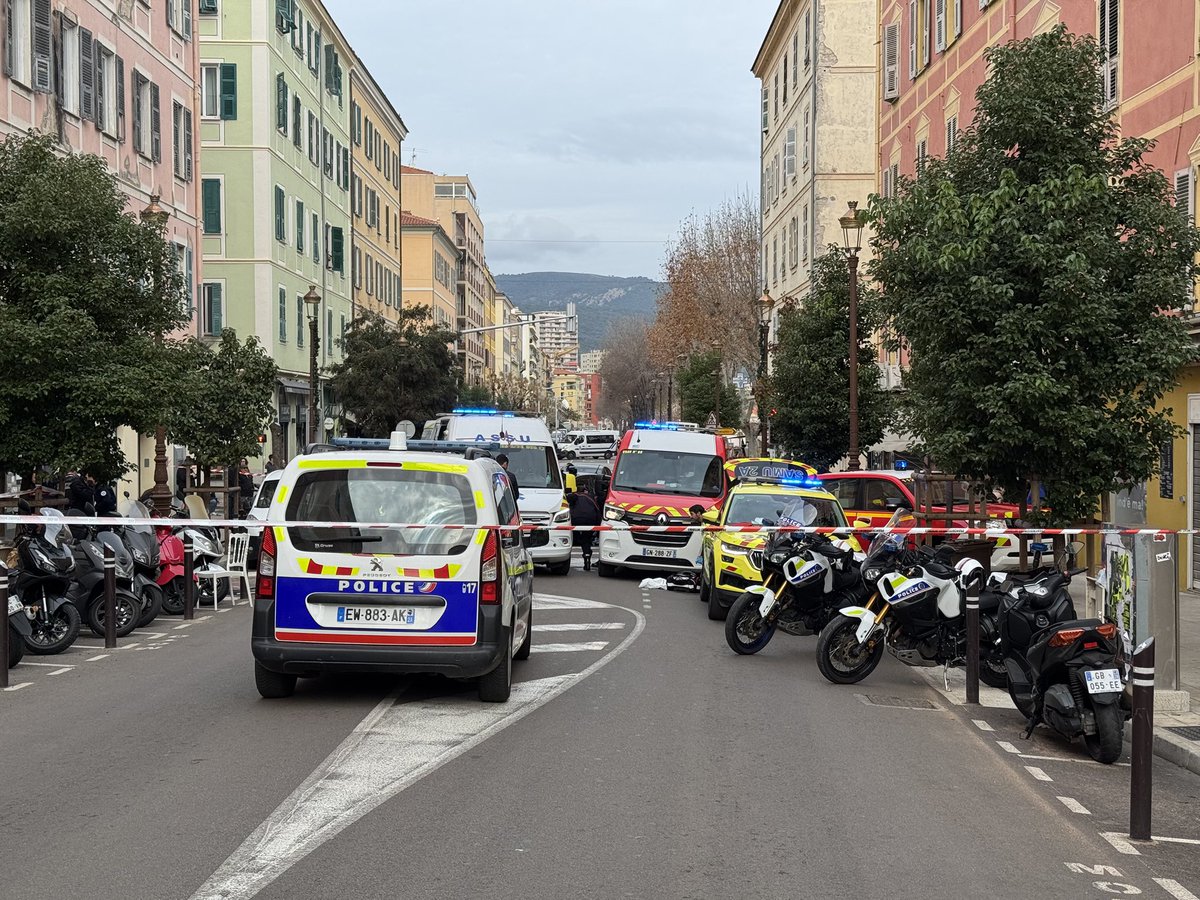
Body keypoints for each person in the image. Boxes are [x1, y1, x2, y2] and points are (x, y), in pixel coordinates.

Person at [566, 484, 602, 571]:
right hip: (590, 520)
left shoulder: (574, 496)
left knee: (574, 537)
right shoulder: (591, 498)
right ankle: (587, 556)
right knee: (586, 540)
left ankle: (565, 558)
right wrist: (597, 529)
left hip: (575, 519)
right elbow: (597, 512)